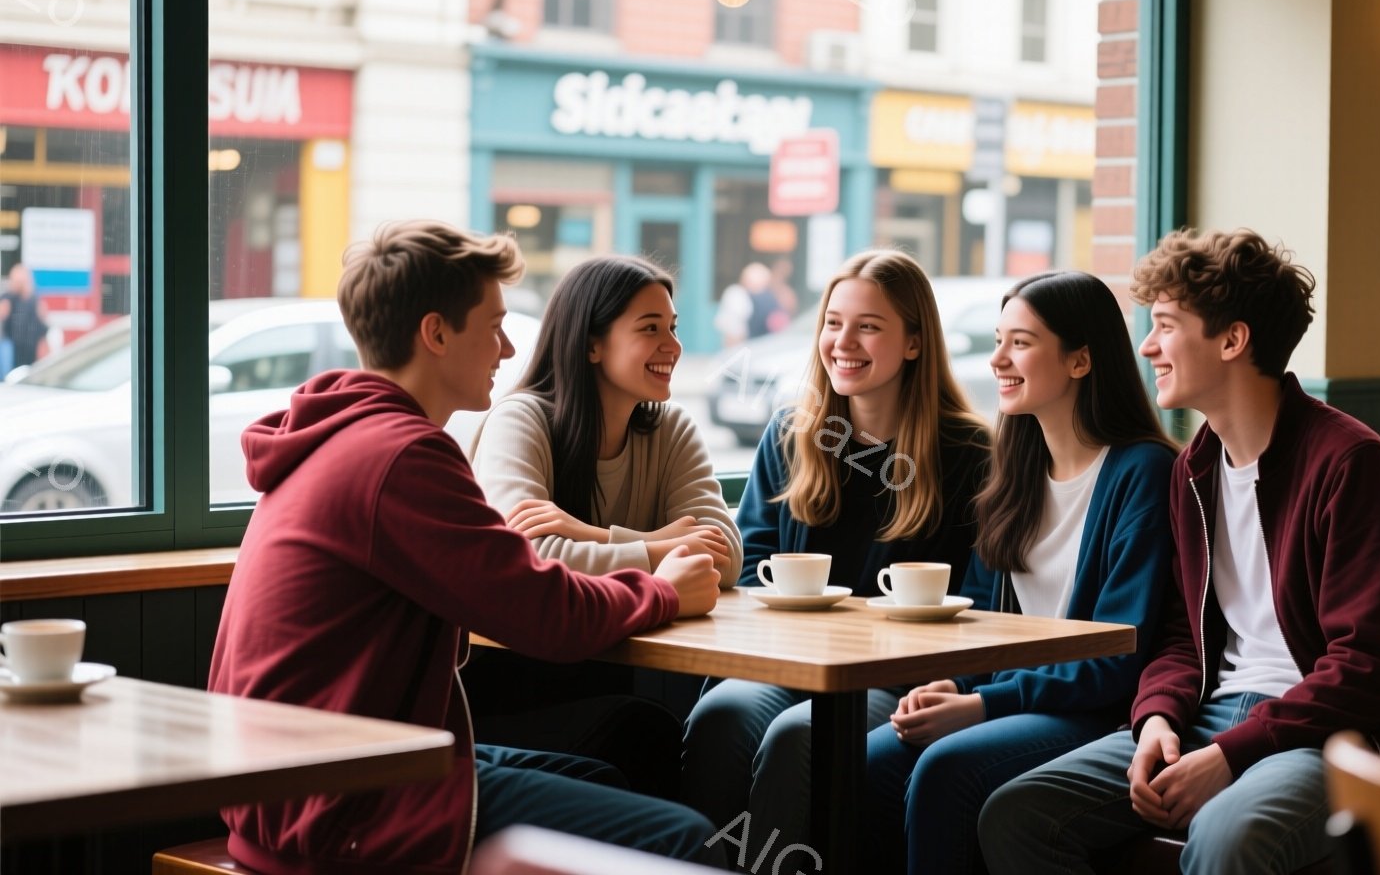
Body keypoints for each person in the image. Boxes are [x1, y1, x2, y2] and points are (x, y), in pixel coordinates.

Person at [207, 220, 726, 875]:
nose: (509, 348)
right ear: (436, 333)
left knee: (615, 777)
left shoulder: (350, 435)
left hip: (302, 785)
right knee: (688, 839)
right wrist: (663, 589)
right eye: (494, 324)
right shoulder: (399, 456)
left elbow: (523, 585)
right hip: (338, 806)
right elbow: (546, 614)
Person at [979, 229, 1380, 875]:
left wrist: (1230, 755)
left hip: (1326, 736)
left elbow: (1367, 669)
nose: (1146, 346)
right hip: (1208, 714)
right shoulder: (1193, 468)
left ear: (1232, 340)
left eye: (1165, 325)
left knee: (1225, 836)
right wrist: (1156, 720)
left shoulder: (1349, 463)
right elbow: (1177, 635)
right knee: (1018, 813)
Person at [863, 271, 1174, 875]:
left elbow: (1116, 657)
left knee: (945, 766)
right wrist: (956, 685)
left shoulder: (1142, 472)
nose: (999, 359)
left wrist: (983, 705)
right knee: (870, 762)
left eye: (1021, 343)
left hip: (1096, 709)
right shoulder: (1015, 469)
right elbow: (980, 616)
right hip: (1017, 700)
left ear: (1081, 360)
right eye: (998, 339)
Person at [682, 248, 992, 848]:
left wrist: (954, 681)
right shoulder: (792, 433)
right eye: (833, 322)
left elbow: (984, 598)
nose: (843, 342)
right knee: (723, 715)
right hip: (790, 661)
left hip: (897, 679)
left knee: (803, 734)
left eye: (868, 326)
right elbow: (751, 566)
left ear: (913, 342)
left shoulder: (970, 453)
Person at [467, 254, 741, 798]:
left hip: (601, 673)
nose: (673, 346)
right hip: (504, 695)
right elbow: (529, 559)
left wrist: (589, 534)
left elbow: (722, 555)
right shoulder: (522, 419)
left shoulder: (670, 429)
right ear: (592, 344)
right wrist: (661, 548)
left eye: (673, 328)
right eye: (649, 329)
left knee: (680, 725)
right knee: (647, 731)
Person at [0, 263, 49, 374]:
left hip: (30, 349)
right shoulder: (7, 298)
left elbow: (43, 327)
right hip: (12, 351)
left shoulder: (34, 300)